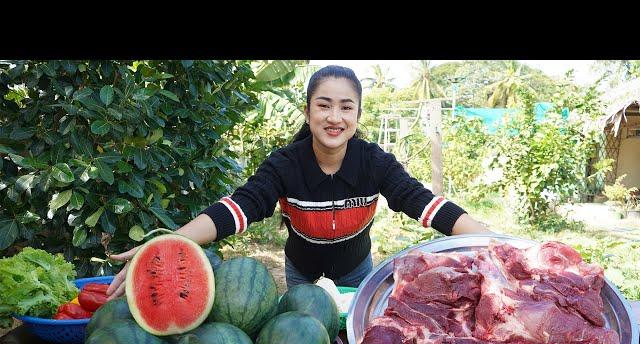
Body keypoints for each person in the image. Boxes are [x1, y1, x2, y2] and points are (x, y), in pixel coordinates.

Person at [106, 65, 492, 300]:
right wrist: (171, 241)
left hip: (357, 267)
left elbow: (425, 204)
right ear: (308, 112)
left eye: (346, 106)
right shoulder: (285, 164)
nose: (334, 117)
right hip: (300, 268)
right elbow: (240, 208)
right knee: (306, 337)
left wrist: (496, 242)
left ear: (357, 114)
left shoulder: (373, 162)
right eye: (323, 105)